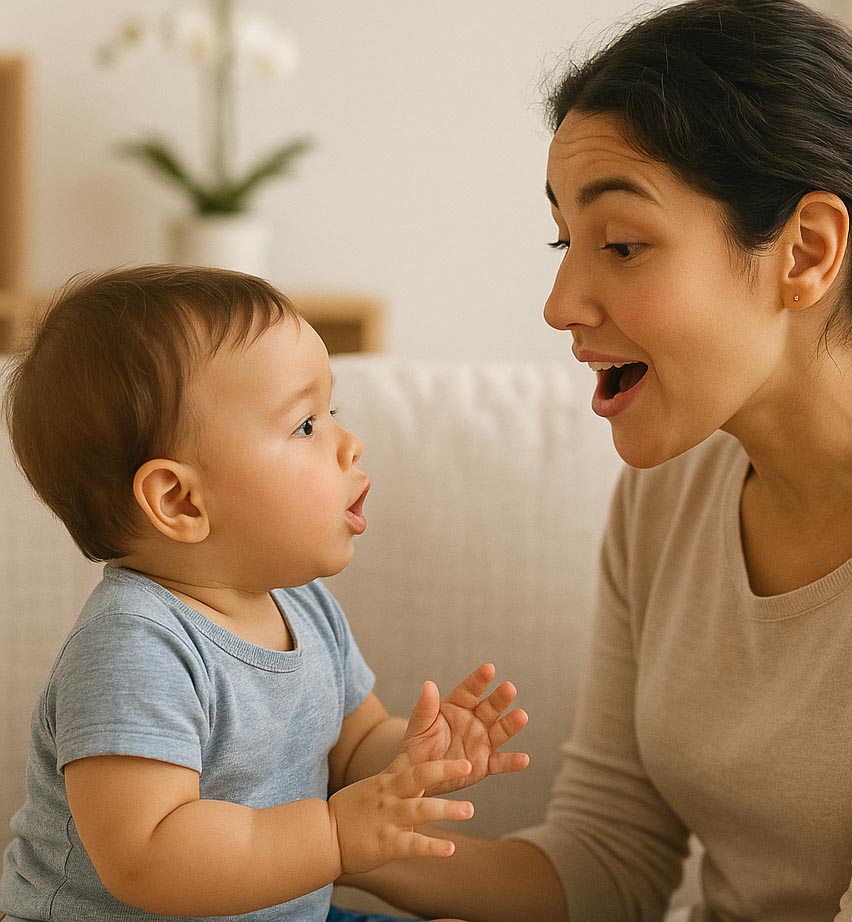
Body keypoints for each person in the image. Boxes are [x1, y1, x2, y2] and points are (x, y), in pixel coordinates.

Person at [342, 1, 852, 920]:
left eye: (621, 244)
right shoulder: (674, 485)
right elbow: (608, 860)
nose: (560, 303)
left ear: (807, 251)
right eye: (564, 244)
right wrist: (307, 843)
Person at [0, 265, 529, 922]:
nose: (348, 442)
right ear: (180, 500)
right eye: (306, 426)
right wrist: (335, 835)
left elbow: (353, 748)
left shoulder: (304, 607)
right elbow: (148, 855)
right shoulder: (132, 647)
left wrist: (414, 757)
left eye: (330, 412)